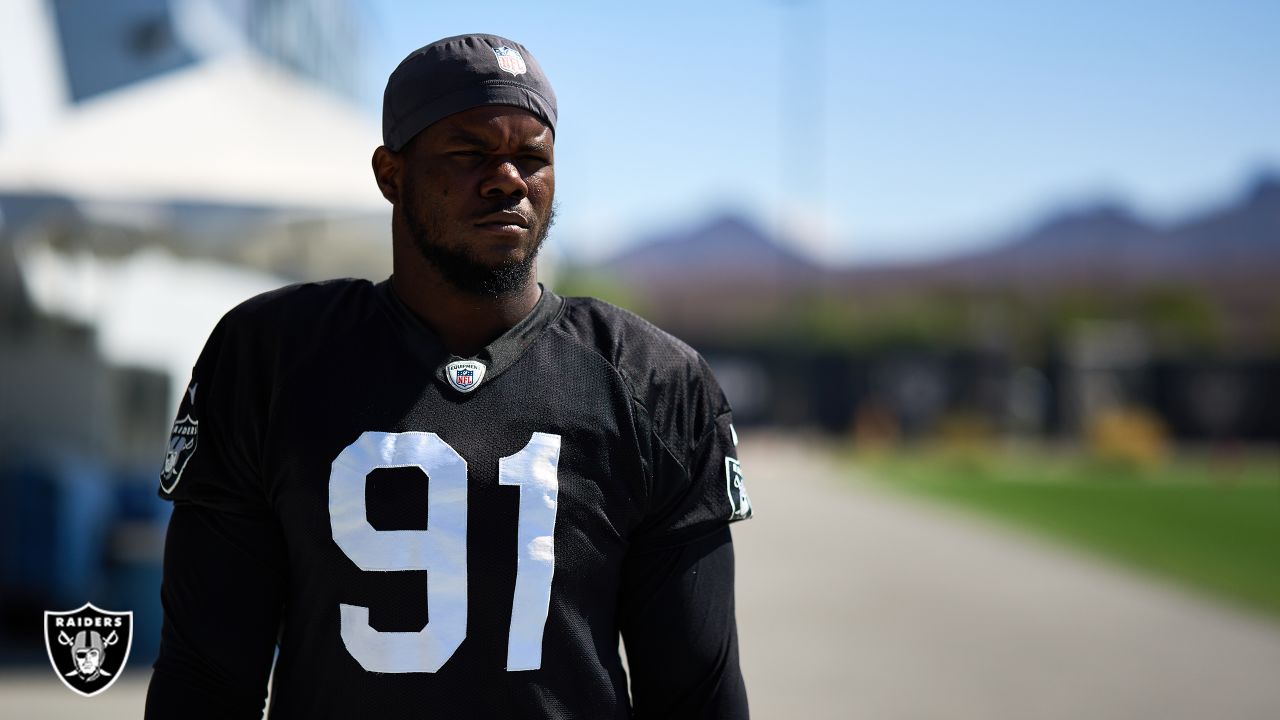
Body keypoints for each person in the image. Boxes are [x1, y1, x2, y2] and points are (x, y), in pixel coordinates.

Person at [145, 33, 752, 719]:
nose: (507, 178)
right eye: (469, 154)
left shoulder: (653, 382)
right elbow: (205, 674)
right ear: (390, 175)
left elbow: (697, 692)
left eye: (532, 157)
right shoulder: (270, 356)